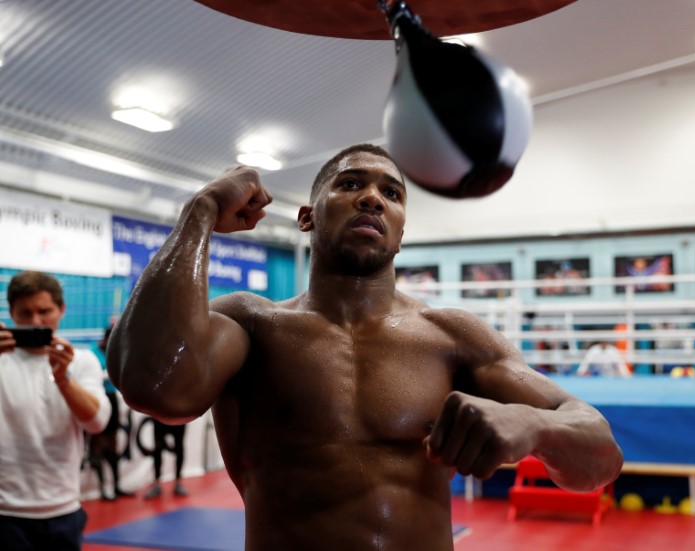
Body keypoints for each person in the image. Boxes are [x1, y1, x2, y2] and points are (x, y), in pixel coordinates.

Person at [107, 144, 623, 550]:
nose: (372, 197)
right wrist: (199, 212)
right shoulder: (251, 323)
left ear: (401, 231)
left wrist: (534, 426)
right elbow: (153, 386)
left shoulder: (452, 334)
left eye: (391, 194)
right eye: (350, 184)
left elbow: (600, 461)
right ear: (307, 218)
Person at [0, 271, 111, 551]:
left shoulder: (81, 361)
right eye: (25, 313)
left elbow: (97, 422)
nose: (35, 321)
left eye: (44, 311)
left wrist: (63, 378)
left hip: (63, 508)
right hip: (5, 512)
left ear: (61, 310)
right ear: (11, 313)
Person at [86, 326, 133, 501]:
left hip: (112, 397)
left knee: (113, 444)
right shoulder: (92, 354)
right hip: (97, 397)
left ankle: (116, 484)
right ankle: (103, 488)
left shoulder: (114, 353)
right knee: (98, 443)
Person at [141, 418, 190, 499]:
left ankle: (178, 483)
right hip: (160, 417)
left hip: (178, 416)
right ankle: (156, 484)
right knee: (157, 449)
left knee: (179, 448)